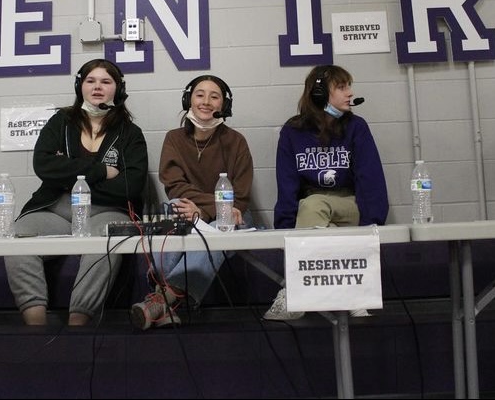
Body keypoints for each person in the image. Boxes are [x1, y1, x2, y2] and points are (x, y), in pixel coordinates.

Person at [4, 59, 149, 327]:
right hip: (56, 208)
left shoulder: (130, 133)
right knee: (16, 236)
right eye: (90, 81)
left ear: (118, 89)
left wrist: (69, 174)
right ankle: (35, 323)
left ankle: (78, 323)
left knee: (104, 241)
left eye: (106, 82)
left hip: (106, 210)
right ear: (79, 86)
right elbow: (44, 165)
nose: (97, 87)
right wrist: (103, 171)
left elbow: (132, 185)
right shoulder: (61, 122)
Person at [264, 64, 389, 320]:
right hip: (313, 213)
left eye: (349, 87)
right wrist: (286, 230)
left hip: (350, 204)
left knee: (312, 206)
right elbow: (286, 183)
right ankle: (351, 293)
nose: (350, 93)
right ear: (320, 94)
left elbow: (370, 177)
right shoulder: (292, 132)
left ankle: (293, 289)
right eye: (341, 87)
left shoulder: (357, 127)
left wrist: (370, 227)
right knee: (314, 211)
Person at [130, 75, 254, 330]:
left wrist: (205, 210)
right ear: (189, 99)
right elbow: (175, 186)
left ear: (224, 104)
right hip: (187, 208)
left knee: (223, 223)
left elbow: (239, 197)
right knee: (172, 208)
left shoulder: (236, 141)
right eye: (200, 95)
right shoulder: (174, 138)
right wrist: (206, 207)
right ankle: (169, 306)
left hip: (232, 214)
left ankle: (162, 299)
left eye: (214, 96)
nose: (206, 102)